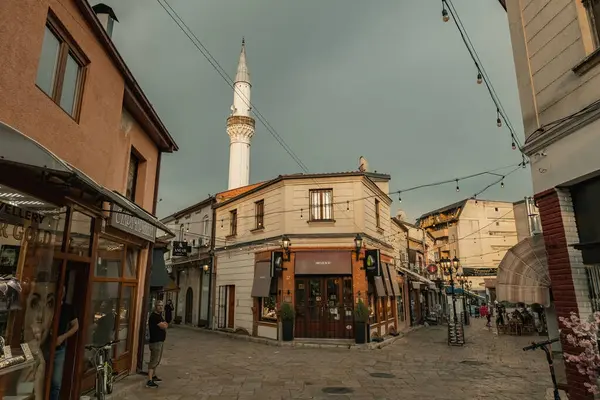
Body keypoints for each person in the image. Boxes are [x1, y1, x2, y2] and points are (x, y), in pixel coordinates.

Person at [50, 298, 79, 400]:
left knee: (56, 382)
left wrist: (63, 337)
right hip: (45, 348)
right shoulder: (49, 306)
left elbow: (76, 326)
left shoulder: (68, 308)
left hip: (59, 349)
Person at [147, 300, 168, 388]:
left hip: (160, 341)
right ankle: (149, 380)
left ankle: (154, 376)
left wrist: (164, 324)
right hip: (155, 341)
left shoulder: (159, 316)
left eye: (162, 305)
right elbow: (164, 326)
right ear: (155, 306)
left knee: (157, 360)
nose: (160, 307)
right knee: (154, 360)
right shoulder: (154, 316)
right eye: (159, 305)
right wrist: (164, 324)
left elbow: (166, 324)